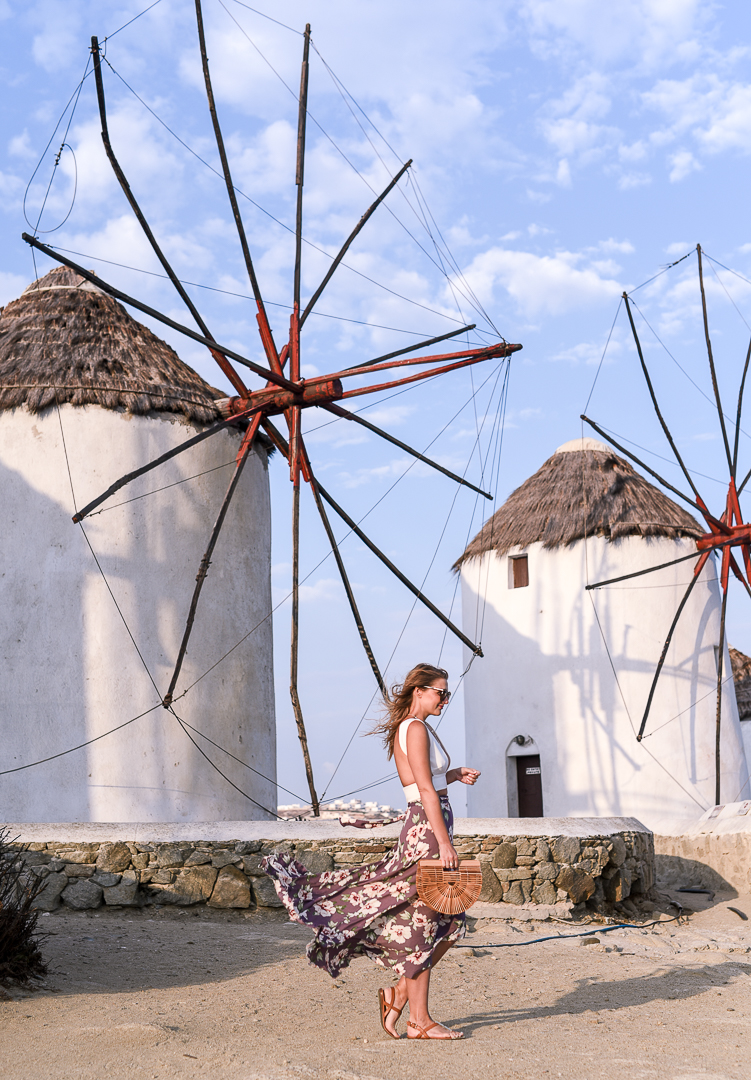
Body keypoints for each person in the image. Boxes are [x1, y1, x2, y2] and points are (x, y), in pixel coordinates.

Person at [262, 662, 481, 1041]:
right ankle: (418, 1019)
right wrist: (444, 842)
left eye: (447, 693)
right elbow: (424, 791)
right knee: (432, 921)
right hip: (427, 831)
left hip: (429, 825)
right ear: (420, 691)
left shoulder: (418, 728)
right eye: (441, 692)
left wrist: (455, 773)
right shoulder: (414, 729)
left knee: (441, 921)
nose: (445, 699)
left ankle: (403, 999)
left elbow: (425, 781)